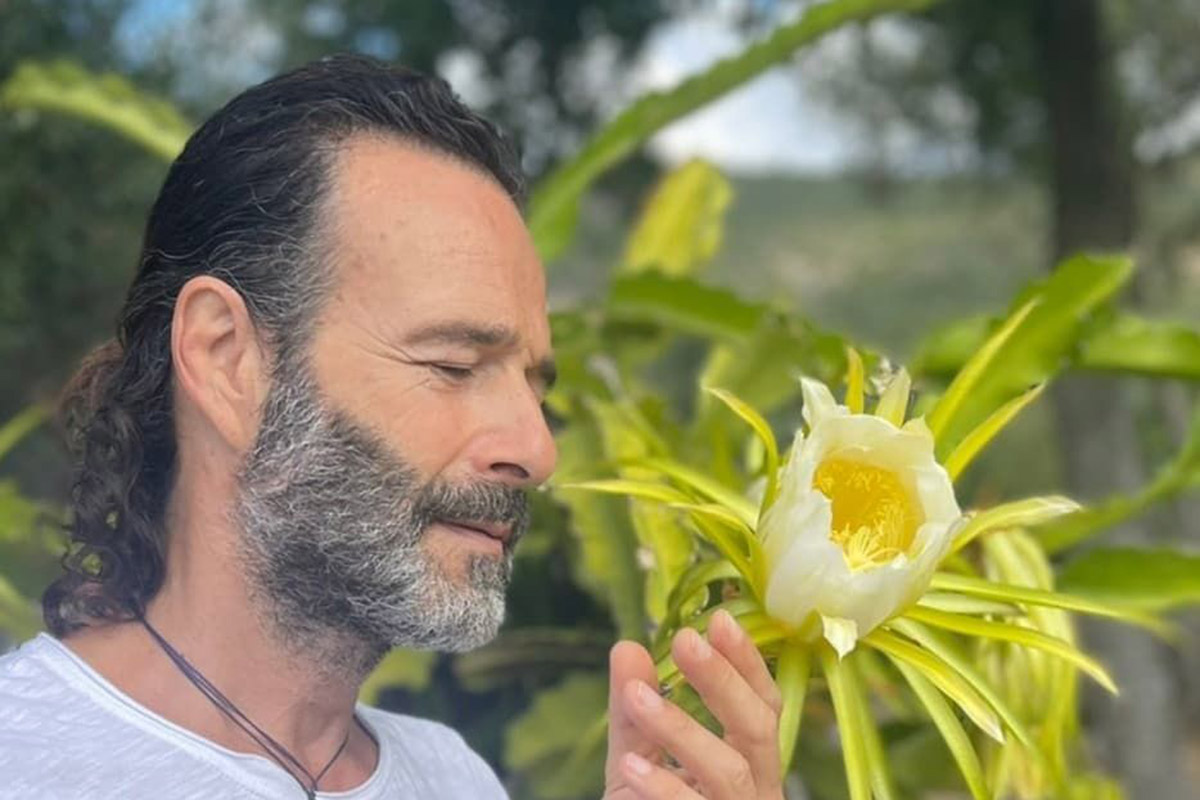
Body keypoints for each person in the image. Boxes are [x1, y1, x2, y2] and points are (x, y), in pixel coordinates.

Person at [0, 55, 783, 799]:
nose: (538, 451)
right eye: (453, 365)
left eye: (535, 387)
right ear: (226, 360)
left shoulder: (458, 779)